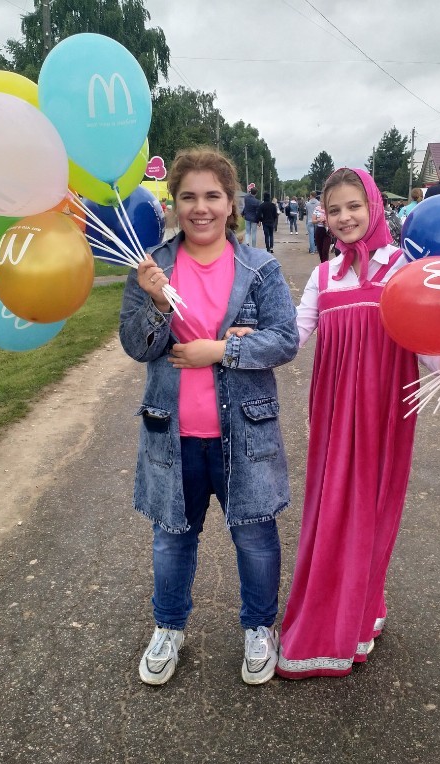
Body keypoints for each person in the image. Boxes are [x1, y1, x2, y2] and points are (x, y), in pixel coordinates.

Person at [275, 167, 440, 680]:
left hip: (385, 412)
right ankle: (336, 616)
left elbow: (420, 338)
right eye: (334, 209)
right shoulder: (324, 275)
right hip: (332, 413)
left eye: (354, 206)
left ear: (374, 207)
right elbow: (292, 337)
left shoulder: (401, 268)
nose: (344, 218)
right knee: (329, 509)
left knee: (370, 509)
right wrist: (241, 340)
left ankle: (356, 615)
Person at [118, 147, 299, 687]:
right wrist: (155, 303)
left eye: (212, 196)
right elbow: (137, 346)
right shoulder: (152, 268)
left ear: (231, 203)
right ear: (173, 203)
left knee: (255, 537)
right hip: (173, 433)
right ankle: (168, 628)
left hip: (245, 433)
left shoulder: (259, 269)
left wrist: (221, 350)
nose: (201, 208)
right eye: (189, 197)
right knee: (172, 538)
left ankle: (259, 628)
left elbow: (284, 340)